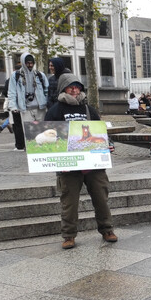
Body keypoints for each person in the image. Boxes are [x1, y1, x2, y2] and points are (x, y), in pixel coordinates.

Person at [45, 73, 117, 249]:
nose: (74, 90)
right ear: (63, 89)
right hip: (68, 167)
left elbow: (101, 133)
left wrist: (109, 144)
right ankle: (68, 235)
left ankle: (107, 229)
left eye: (77, 87)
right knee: (69, 203)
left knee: (101, 199)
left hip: (94, 166)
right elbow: (49, 137)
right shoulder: (54, 111)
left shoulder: (89, 110)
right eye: (70, 87)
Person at [7, 52, 48, 151]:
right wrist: (13, 107)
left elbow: (46, 90)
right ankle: (31, 149)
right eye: (27, 63)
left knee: (42, 128)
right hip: (25, 108)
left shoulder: (40, 75)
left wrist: (47, 103)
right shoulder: (15, 76)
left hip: (40, 107)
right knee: (28, 130)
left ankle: (44, 148)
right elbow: (12, 92)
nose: (30, 65)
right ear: (23, 63)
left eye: (31, 63)